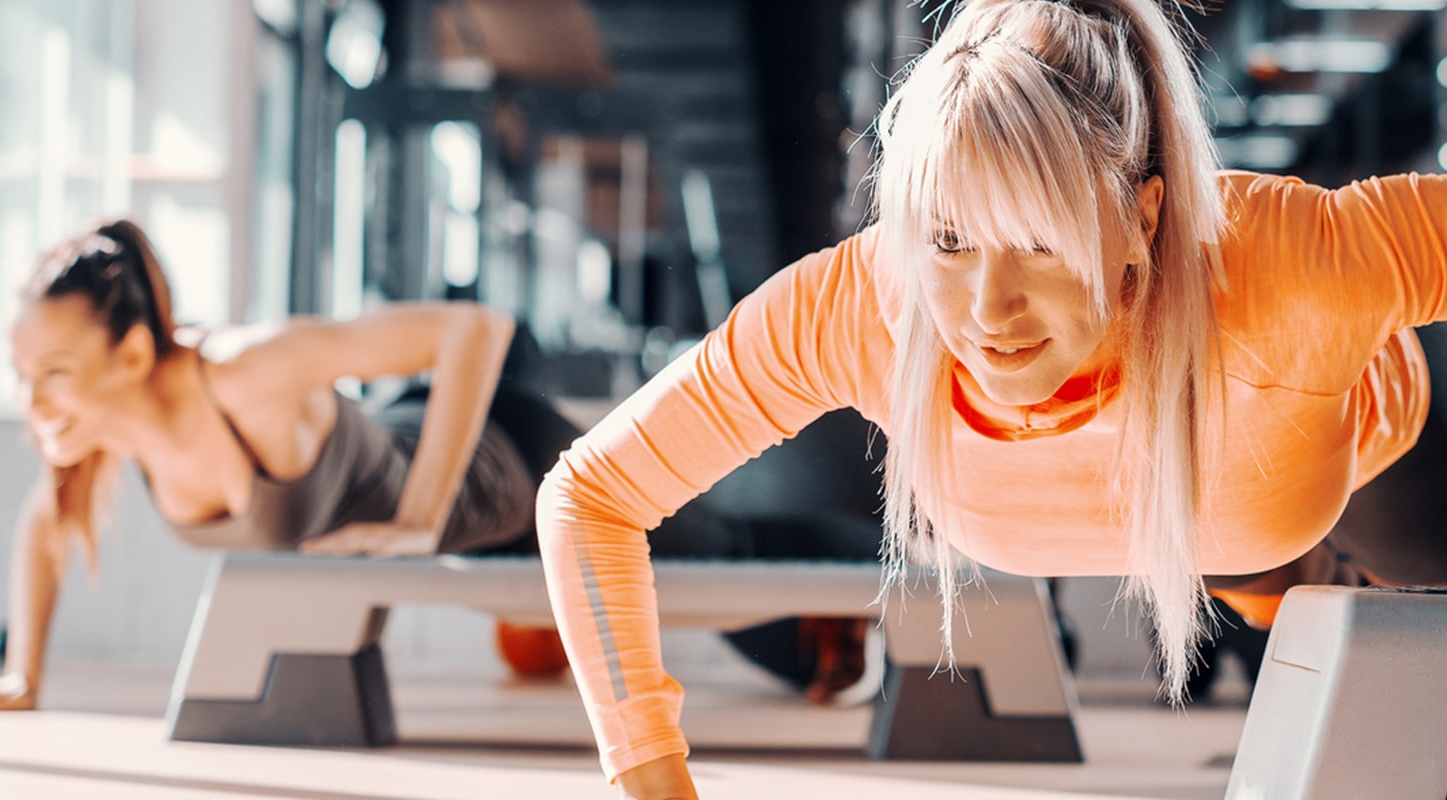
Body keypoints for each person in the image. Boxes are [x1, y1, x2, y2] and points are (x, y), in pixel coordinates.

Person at [534, 0, 1447, 796]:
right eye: (950, 240)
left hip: (1375, 457)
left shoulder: (1290, 261)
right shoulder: (862, 305)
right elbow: (589, 497)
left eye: (1039, 244)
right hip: (1233, 528)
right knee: (1281, 600)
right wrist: (652, 776)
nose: (987, 310)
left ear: (1144, 220)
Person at [0, 219, 578, 712]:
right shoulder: (109, 422)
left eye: (54, 373)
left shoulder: (242, 372)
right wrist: (21, 678)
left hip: (520, 462)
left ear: (134, 354)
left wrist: (418, 519)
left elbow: (474, 328)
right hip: (407, 441)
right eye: (21, 374)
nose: (29, 402)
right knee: (533, 650)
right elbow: (48, 517)